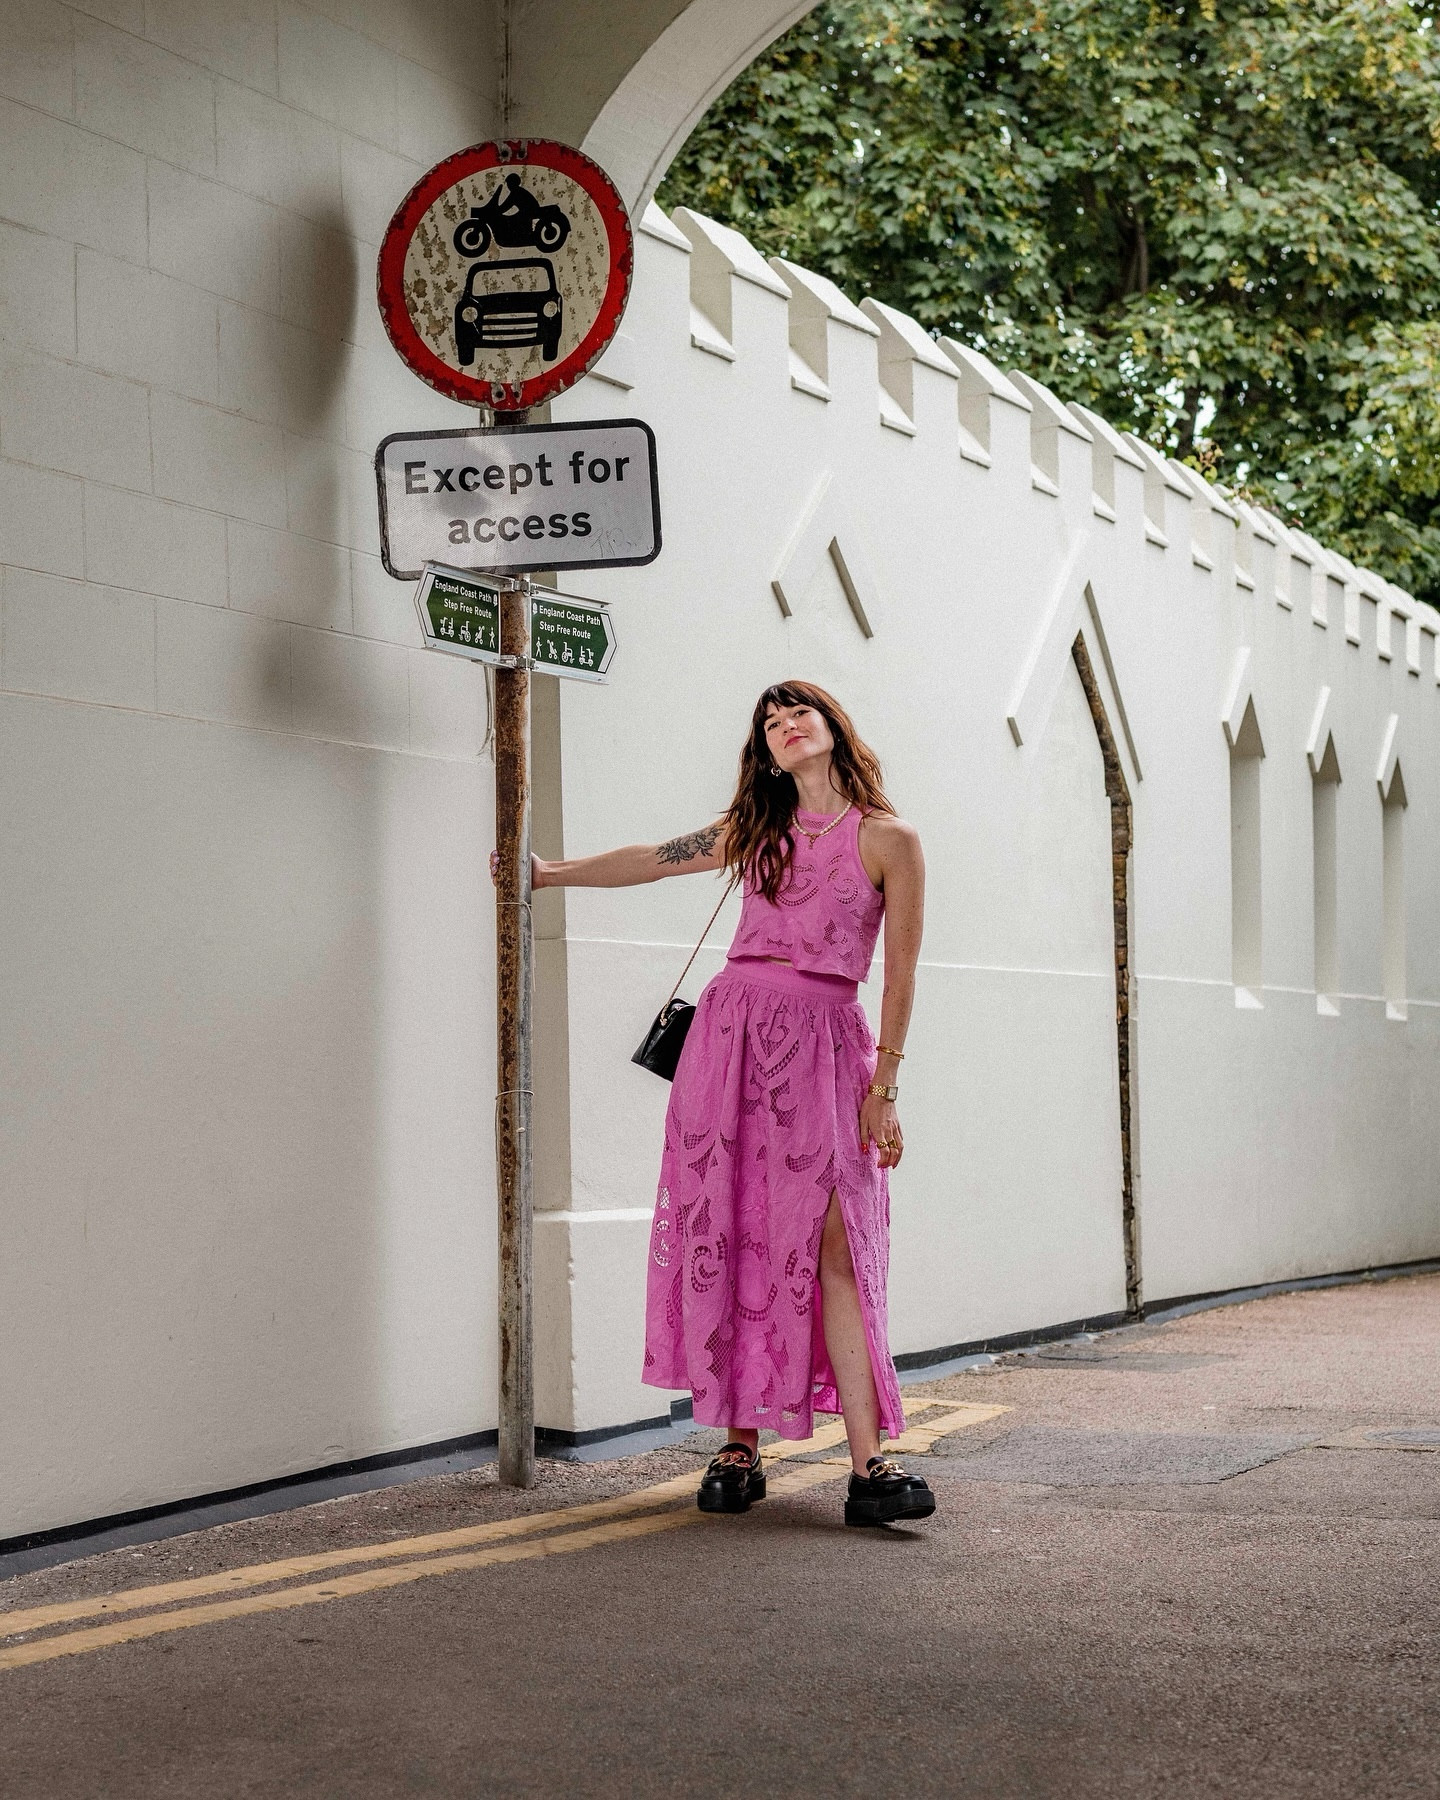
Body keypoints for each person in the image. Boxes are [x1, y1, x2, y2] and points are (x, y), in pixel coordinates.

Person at [495, 681, 931, 1527]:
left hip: (829, 1047)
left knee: (835, 1243)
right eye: (771, 724)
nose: (787, 727)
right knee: (735, 1231)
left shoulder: (890, 840)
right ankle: (738, 1445)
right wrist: (547, 875)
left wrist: (885, 1090)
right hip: (729, 1044)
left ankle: (869, 1463)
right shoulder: (755, 834)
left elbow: (903, 972)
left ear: (834, 728)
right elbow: (654, 858)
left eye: (799, 713)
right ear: (766, 754)